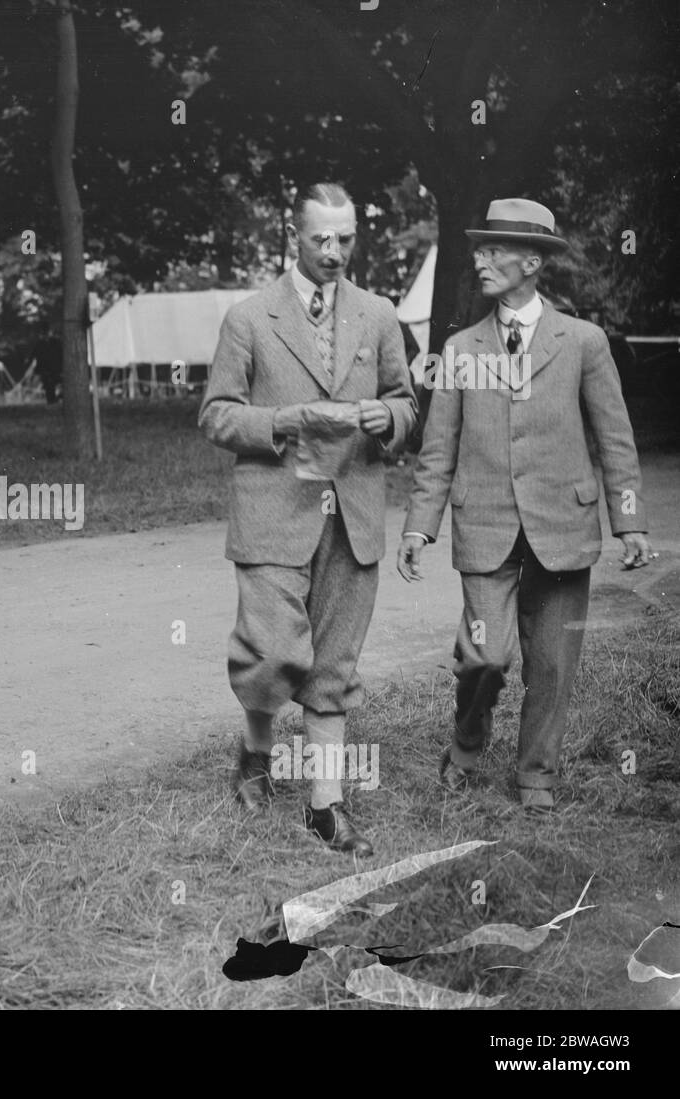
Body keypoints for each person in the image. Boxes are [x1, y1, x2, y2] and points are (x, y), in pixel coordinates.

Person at [398, 198, 652, 813]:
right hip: (484, 524)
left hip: (564, 526)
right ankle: (468, 737)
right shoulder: (459, 349)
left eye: (494, 250)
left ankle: (535, 774)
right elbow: (439, 449)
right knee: (485, 655)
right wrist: (419, 528)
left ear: (532, 261)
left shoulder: (585, 342)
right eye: (479, 249)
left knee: (553, 662)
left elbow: (615, 437)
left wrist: (631, 520)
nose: (480, 261)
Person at [199, 182, 416, 856]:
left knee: (334, 664)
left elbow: (407, 403)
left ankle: (326, 805)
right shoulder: (248, 317)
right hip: (273, 512)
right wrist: (282, 421)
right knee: (275, 654)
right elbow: (216, 415)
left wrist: (391, 419)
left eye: (346, 238)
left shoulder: (379, 315)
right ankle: (257, 748)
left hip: (352, 512)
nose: (334, 251)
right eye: (321, 238)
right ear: (293, 236)